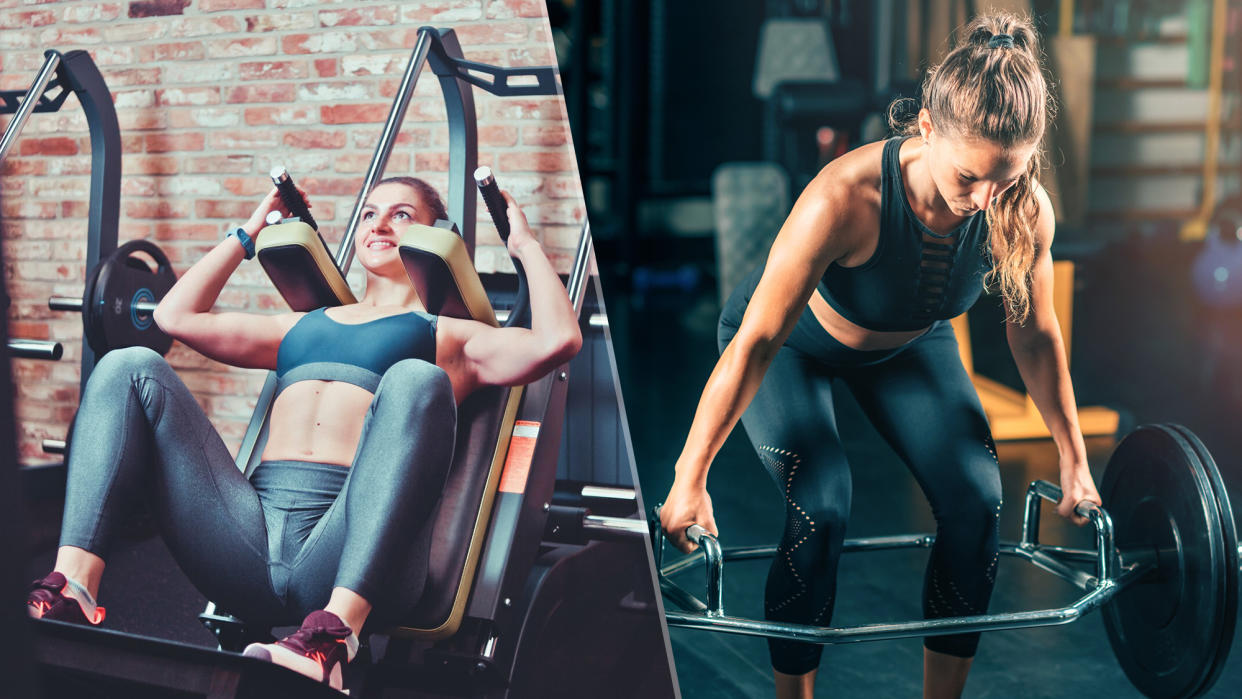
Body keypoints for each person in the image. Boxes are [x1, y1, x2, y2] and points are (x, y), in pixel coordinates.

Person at [658, 14, 1101, 699]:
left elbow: (1035, 333)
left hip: (911, 344)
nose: (986, 200)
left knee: (978, 499)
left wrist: (1074, 461)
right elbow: (756, 340)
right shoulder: (845, 197)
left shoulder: (1021, 206)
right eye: (970, 175)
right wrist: (691, 475)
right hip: (792, 348)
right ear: (926, 128)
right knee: (823, 505)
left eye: (1006, 180)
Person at [25, 176, 582, 692]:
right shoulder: (298, 326)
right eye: (368, 214)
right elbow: (173, 316)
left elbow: (559, 341)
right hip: (245, 540)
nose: (379, 225)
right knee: (127, 366)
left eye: (401, 214)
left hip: (351, 556)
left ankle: (334, 639)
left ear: (440, 239)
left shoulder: (453, 336)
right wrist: (248, 232)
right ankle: (74, 587)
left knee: (416, 378)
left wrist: (525, 245)